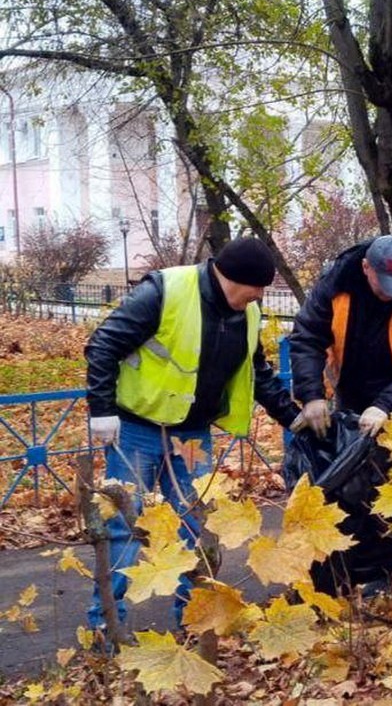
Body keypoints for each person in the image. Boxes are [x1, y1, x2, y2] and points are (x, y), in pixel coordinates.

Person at [85, 237, 300, 634]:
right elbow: (102, 345)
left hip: (192, 436)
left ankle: (194, 626)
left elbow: (259, 375)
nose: (259, 297)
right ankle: (106, 630)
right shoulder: (164, 290)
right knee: (125, 530)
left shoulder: (247, 313)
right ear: (232, 277)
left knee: (194, 528)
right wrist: (102, 410)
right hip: (137, 430)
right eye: (257, 288)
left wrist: (294, 419)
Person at [288, 234, 392, 596]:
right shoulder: (336, 285)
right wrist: (312, 396)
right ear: (365, 268)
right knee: (347, 490)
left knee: (390, 491)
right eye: (384, 284)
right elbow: (307, 337)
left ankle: (384, 570)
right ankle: (340, 571)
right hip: (351, 396)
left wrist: (386, 405)